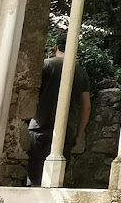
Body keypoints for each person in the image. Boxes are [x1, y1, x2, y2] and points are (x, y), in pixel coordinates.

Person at [27, 47, 90, 185]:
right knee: (55, 180)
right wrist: (79, 134)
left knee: (35, 179)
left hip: (39, 127)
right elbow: (86, 106)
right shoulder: (80, 72)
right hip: (66, 131)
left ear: (56, 48)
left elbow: (29, 93)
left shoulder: (46, 65)